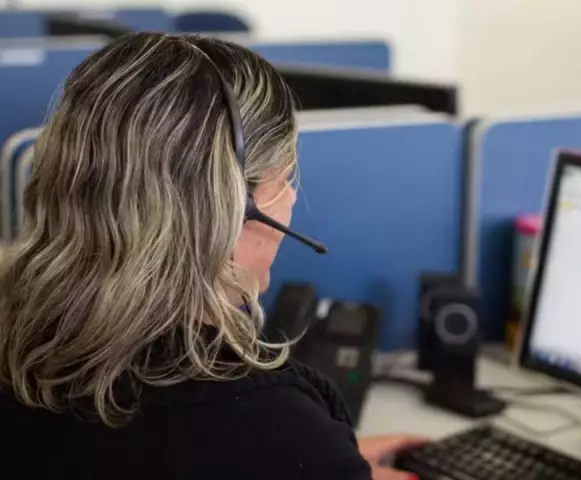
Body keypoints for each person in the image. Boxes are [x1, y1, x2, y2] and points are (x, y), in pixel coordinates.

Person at [0, 32, 423, 480]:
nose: (292, 198)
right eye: (284, 180)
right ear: (237, 207)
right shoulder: (269, 429)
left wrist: (331, 455)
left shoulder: (21, 353)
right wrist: (318, 454)